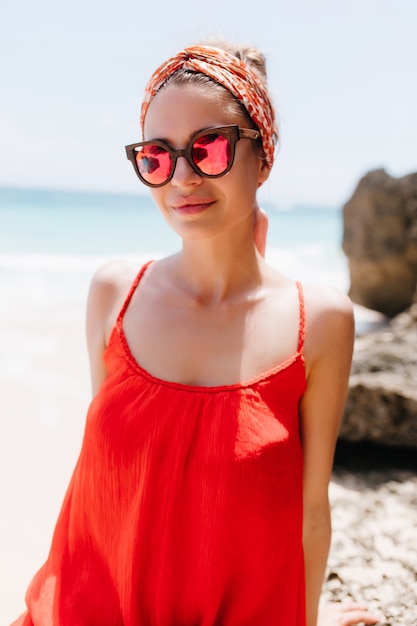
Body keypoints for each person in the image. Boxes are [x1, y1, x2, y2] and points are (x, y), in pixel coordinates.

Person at [11, 42, 382, 626]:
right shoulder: (114, 294)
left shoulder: (322, 323)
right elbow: (114, 491)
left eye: (208, 148)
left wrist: (305, 615)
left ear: (263, 157)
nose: (182, 177)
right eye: (157, 157)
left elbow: (311, 512)